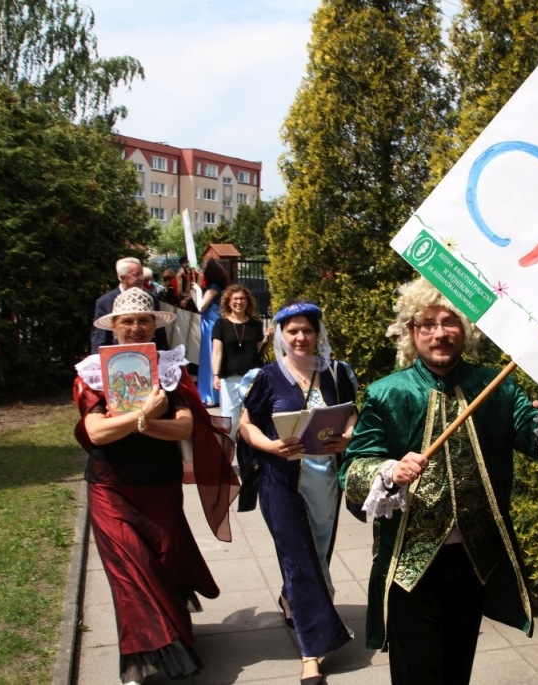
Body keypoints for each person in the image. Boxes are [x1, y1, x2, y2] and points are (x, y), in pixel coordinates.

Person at [339, 278, 538, 685]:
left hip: (474, 558)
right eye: (427, 324)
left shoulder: (497, 387)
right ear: (411, 332)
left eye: (449, 322)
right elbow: (353, 470)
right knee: (416, 671)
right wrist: (389, 471)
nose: (439, 333)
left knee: (456, 670)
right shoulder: (388, 394)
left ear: (465, 330)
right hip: (409, 562)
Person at [73, 287, 239, 685]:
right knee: (132, 570)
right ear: (113, 327)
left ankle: (174, 640)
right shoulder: (92, 371)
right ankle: (140, 662)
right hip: (110, 488)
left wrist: (139, 424)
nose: (134, 327)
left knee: (162, 564)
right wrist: (144, 417)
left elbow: (184, 426)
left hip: (160, 485)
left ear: (154, 325)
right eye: (126, 321)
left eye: (142, 320)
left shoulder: (170, 369)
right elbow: (95, 433)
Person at [238, 300, 358, 685]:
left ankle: (292, 600)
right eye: (293, 331)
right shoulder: (265, 377)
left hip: (326, 483)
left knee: (317, 554)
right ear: (279, 336)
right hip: (280, 481)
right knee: (300, 560)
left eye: (307, 330)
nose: (301, 338)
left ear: (317, 333)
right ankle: (312, 652)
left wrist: (348, 438)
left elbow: (353, 416)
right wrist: (270, 446)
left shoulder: (338, 373)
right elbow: (245, 426)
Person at [211, 284, 268, 422]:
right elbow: (217, 352)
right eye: (235, 299)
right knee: (230, 419)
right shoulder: (221, 323)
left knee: (253, 419)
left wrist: (268, 339)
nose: (239, 302)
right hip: (230, 378)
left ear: (247, 301)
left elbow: (260, 352)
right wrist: (216, 375)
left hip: (253, 377)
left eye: (242, 298)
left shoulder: (256, 323)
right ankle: (229, 444)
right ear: (228, 302)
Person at [91, 257, 168, 353]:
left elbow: (160, 334)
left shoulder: (151, 298)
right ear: (123, 278)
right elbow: (100, 339)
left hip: (149, 357)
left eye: (142, 273)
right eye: (137, 275)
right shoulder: (105, 302)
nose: (142, 278)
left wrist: (165, 358)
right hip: (118, 360)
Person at [196, 259, 230, 406]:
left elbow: (201, 306)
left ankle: (210, 395)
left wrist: (197, 291)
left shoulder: (213, 287)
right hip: (211, 321)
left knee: (209, 355)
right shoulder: (219, 286)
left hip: (210, 323)